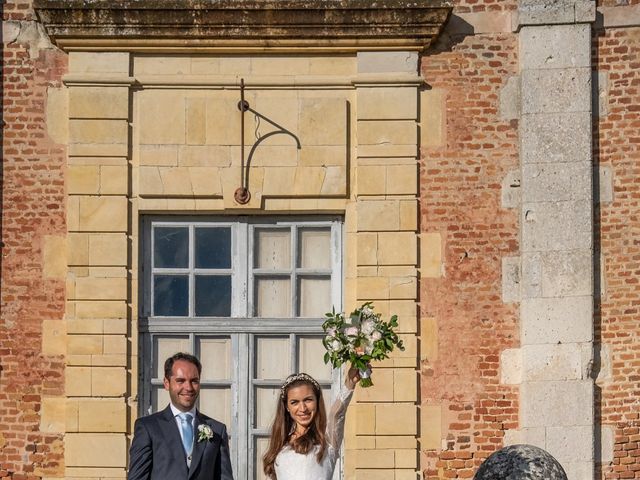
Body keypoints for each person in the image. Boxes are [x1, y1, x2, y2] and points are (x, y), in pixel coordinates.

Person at [128, 352, 234, 480]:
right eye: (180, 381)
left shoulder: (217, 430)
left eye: (194, 381)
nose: (188, 387)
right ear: (167, 383)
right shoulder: (148, 428)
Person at [262, 366, 360, 480]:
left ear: (317, 401)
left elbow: (337, 414)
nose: (303, 408)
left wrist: (349, 383)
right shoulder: (280, 444)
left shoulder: (327, 441)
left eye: (308, 400)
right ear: (286, 407)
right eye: (294, 402)